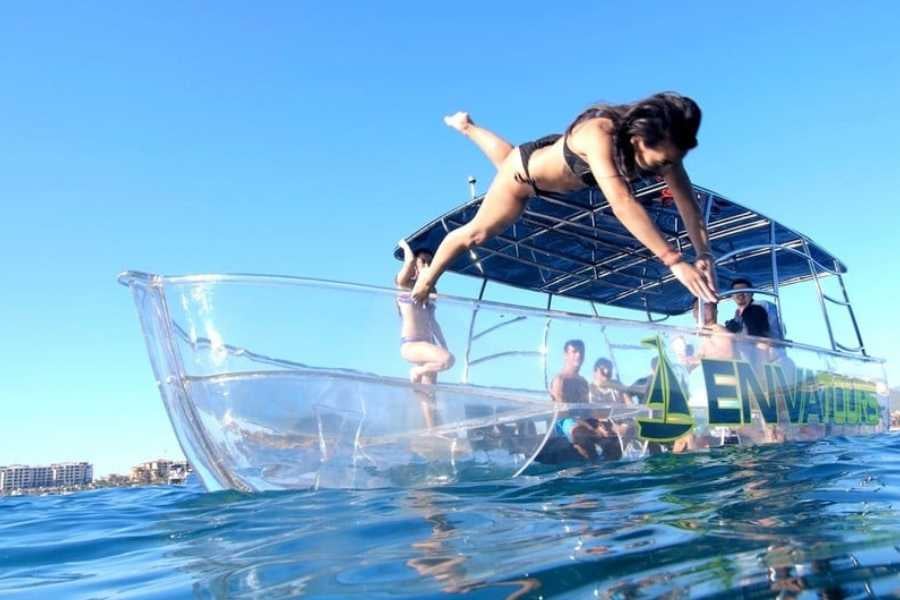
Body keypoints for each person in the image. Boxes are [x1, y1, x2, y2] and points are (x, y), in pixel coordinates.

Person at [410, 93, 718, 305]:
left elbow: (688, 205)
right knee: (477, 232)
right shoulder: (601, 133)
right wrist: (674, 260)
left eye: (672, 161)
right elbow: (622, 201)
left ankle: (466, 126)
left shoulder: (668, 153)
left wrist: (704, 254)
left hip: (542, 163)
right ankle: (425, 281)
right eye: (661, 162)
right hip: (524, 180)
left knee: (508, 157)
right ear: (639, 139)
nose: (667, 168)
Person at [396, 239, 455, 385]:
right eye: (423, 261)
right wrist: (404, 245)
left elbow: (433, 322)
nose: (427, 266)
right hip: (412, 344)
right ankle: (417, 371)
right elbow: (409, 261)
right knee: (448, 359)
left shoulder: (430, 292)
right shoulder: (404, 284)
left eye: (430, 262)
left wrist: (443, 345)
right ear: (415, 265)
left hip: (428, 344)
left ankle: (425, 407)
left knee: (429, 396)